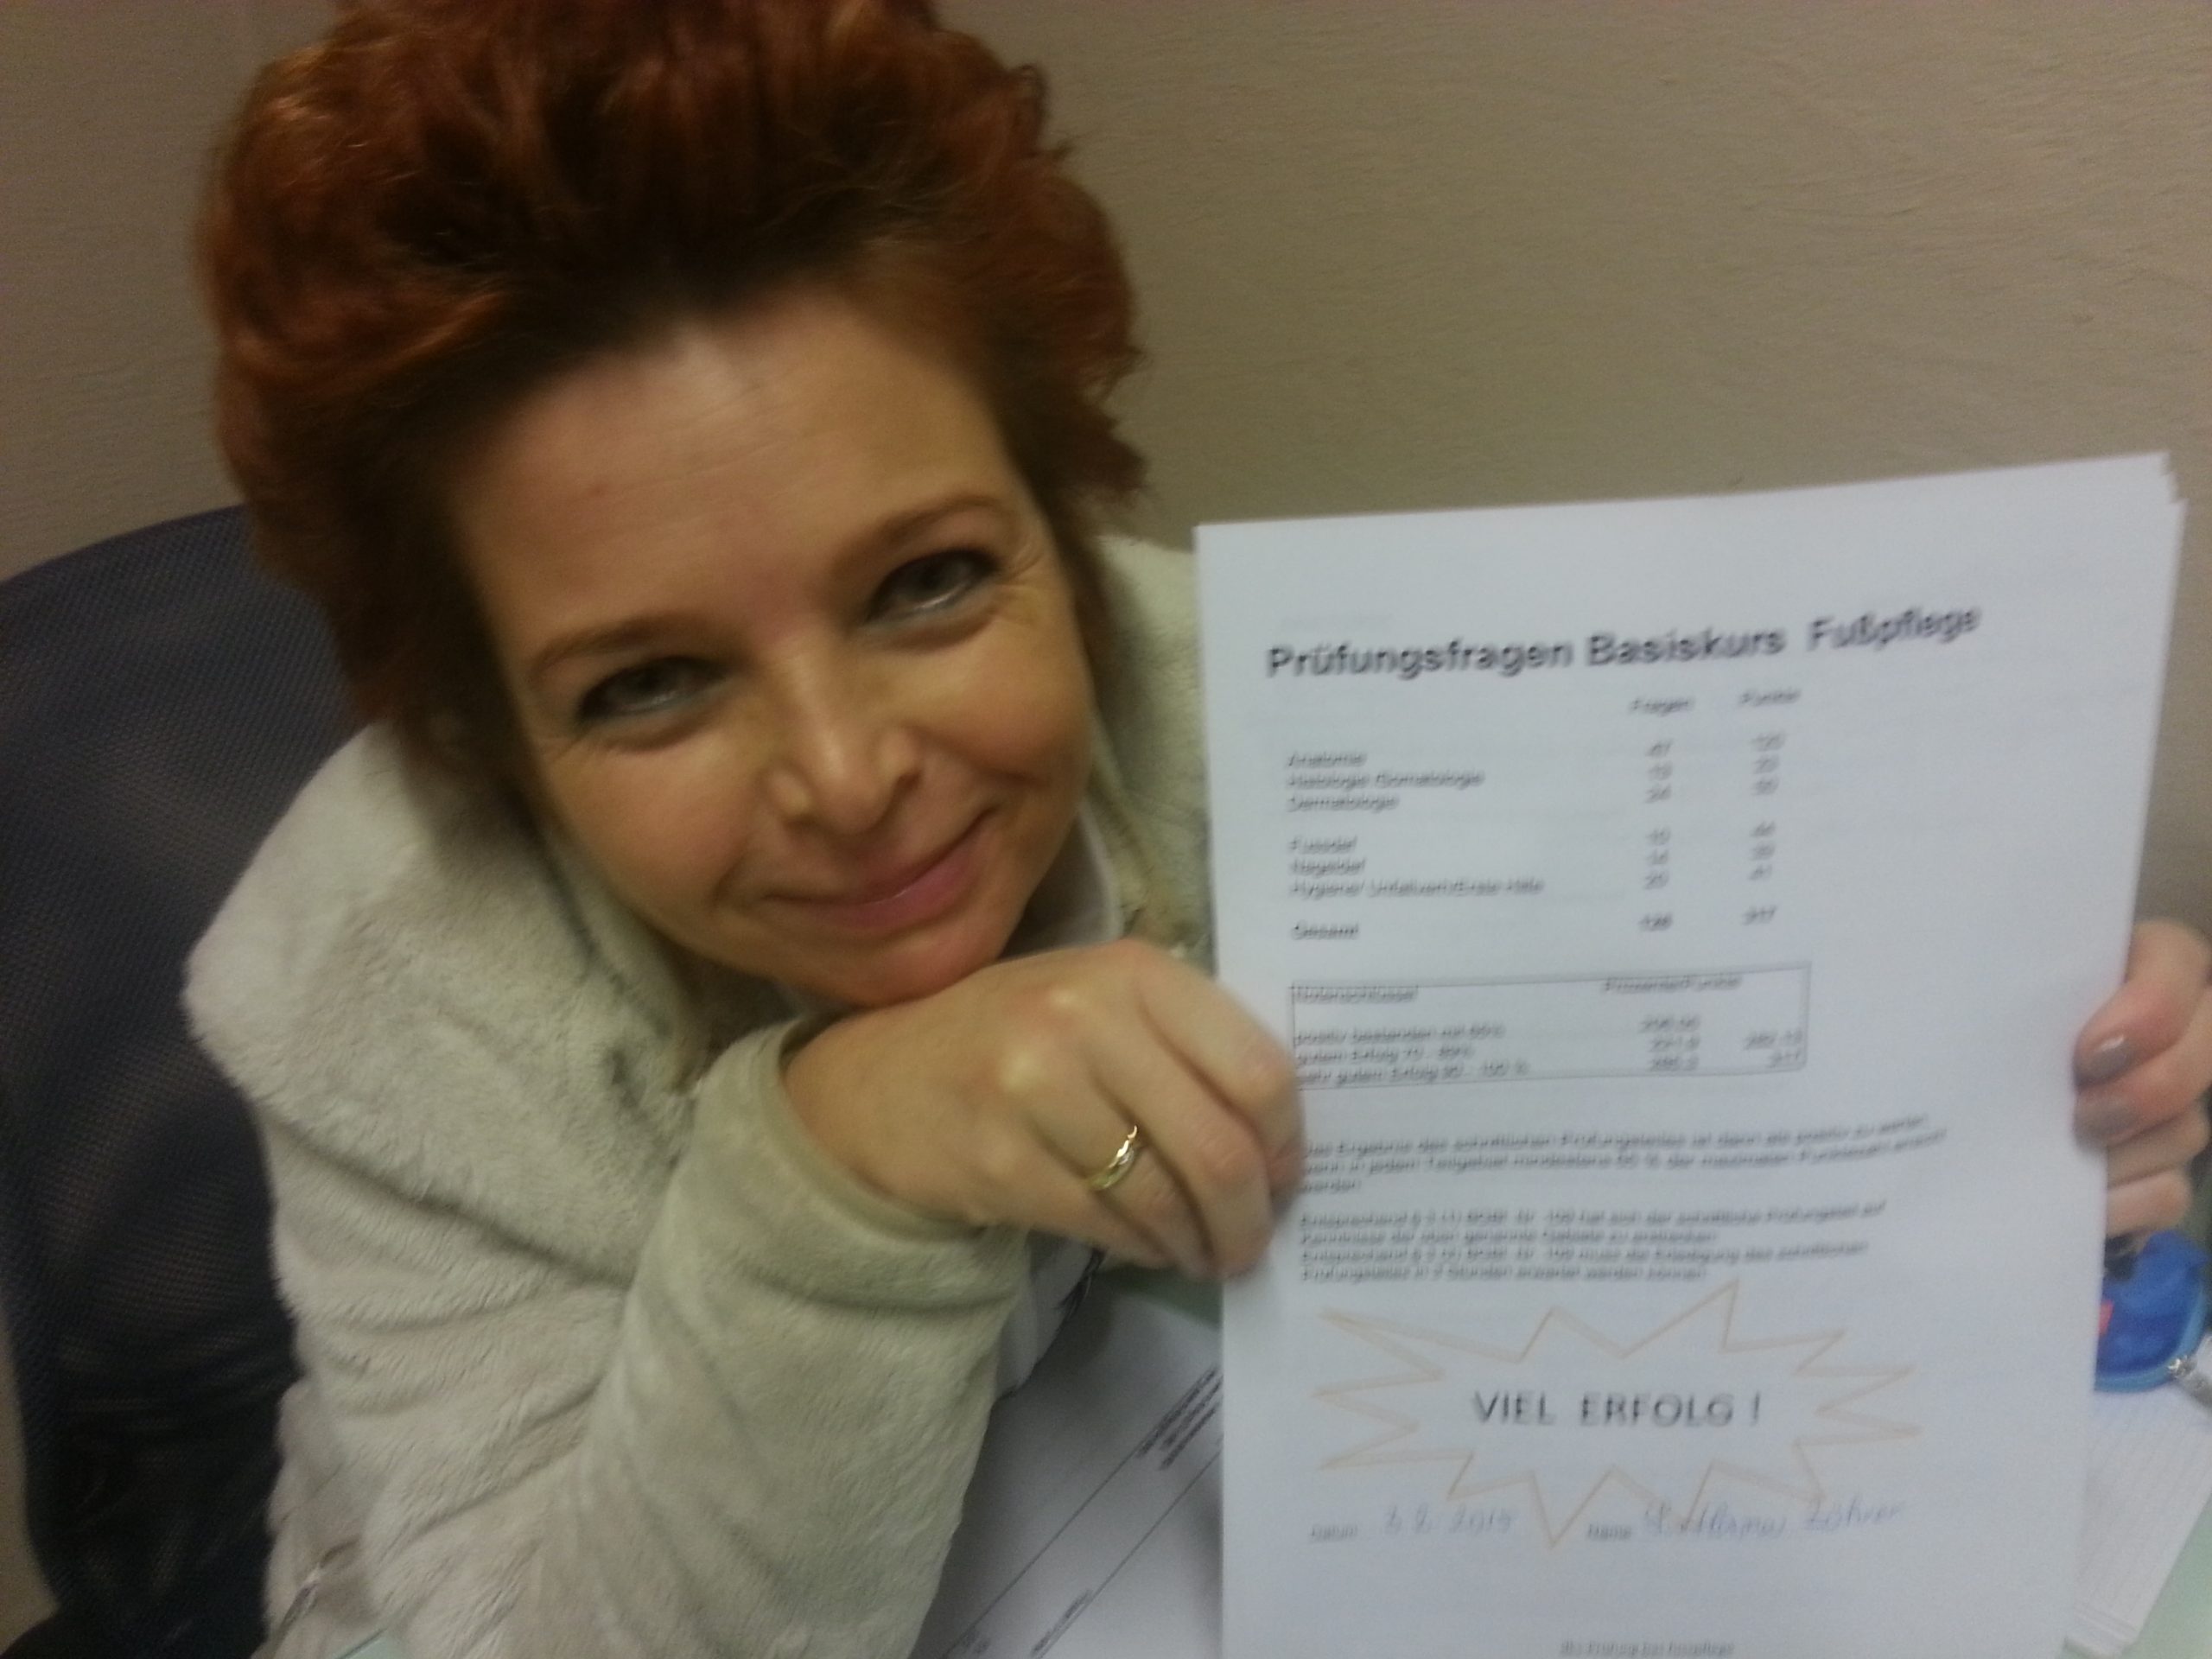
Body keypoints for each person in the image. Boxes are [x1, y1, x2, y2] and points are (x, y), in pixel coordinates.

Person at [184, 3, 2210, 1656]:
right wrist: (834, 1168)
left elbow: (1625, 1089)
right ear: (484, 728)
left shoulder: (1245, 715)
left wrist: (1987, 1100)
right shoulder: (378, 992)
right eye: (645, 683)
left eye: (925, 583)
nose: (846, 776)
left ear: (1063, 521)